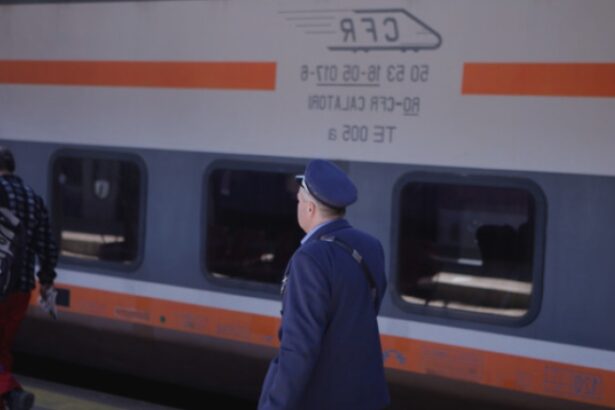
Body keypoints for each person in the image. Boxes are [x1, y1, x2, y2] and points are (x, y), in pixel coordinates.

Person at [258, 159, 390, 410]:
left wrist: (275, 405)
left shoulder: (310, 258)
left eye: (299, 201)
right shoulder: (371, 246)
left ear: (309, 208)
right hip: (367, 395)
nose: (297, 206)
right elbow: (369, 307)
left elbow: (299, 348)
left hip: (324, 398)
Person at [0, 147, 58, 410]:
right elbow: (47, 245)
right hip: (20, 289)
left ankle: (11, 392)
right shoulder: (33, 198)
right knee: (2, 349)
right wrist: (46, 279)